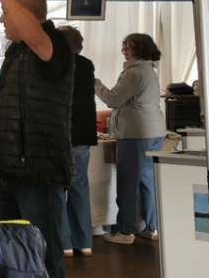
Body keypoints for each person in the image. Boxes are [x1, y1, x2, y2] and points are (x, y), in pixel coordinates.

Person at [0, 0, 75, 278]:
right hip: (10, 171)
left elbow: (37, 37)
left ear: (25, 14)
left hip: (39, 174)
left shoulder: (54, 44)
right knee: (12, 259)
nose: (3, 20)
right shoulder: (16, 51)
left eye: (6, 12)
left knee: (43, 259)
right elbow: (7, 98)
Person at [96, 33, 166, 245]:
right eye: (124, 46)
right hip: (154, 131)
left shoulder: (134, 73)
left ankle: (125, 231)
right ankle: (152, 227)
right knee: (147, 181)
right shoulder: (150, 70)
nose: (124, 50)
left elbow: (113, 99)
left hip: (135, 133)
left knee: (127, 183)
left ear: (139, 50)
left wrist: (95, 83)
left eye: (128, 47)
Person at [57, 26, 97, 258]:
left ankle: (64, 243)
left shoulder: (56, 64)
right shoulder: (87, 65)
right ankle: (84, 242)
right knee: (79, 186)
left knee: (58, 188)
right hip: (83, 132)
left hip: (60, 132)